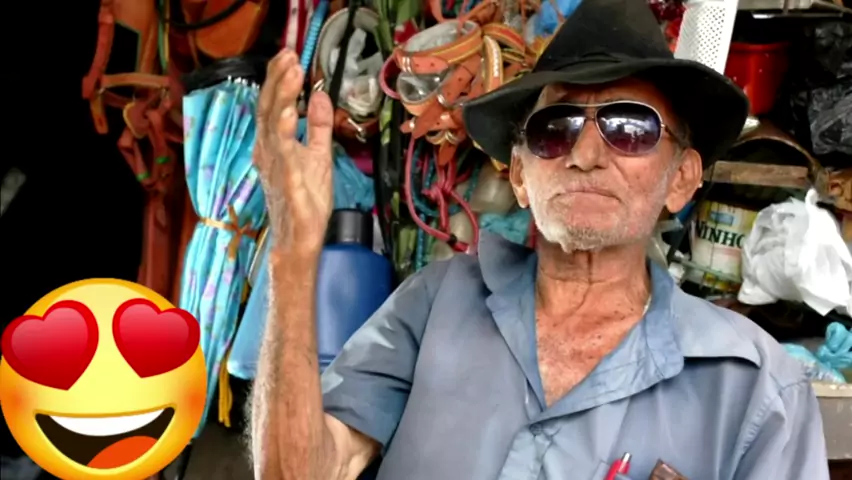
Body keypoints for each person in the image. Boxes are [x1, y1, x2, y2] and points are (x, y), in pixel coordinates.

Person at [249, 0, 830, 478]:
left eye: (630, 128)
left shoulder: (756, 389)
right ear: (521, 177)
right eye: (556, 128)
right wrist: (292, 256)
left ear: (681, 178)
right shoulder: (432, 305)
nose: (586, 154)